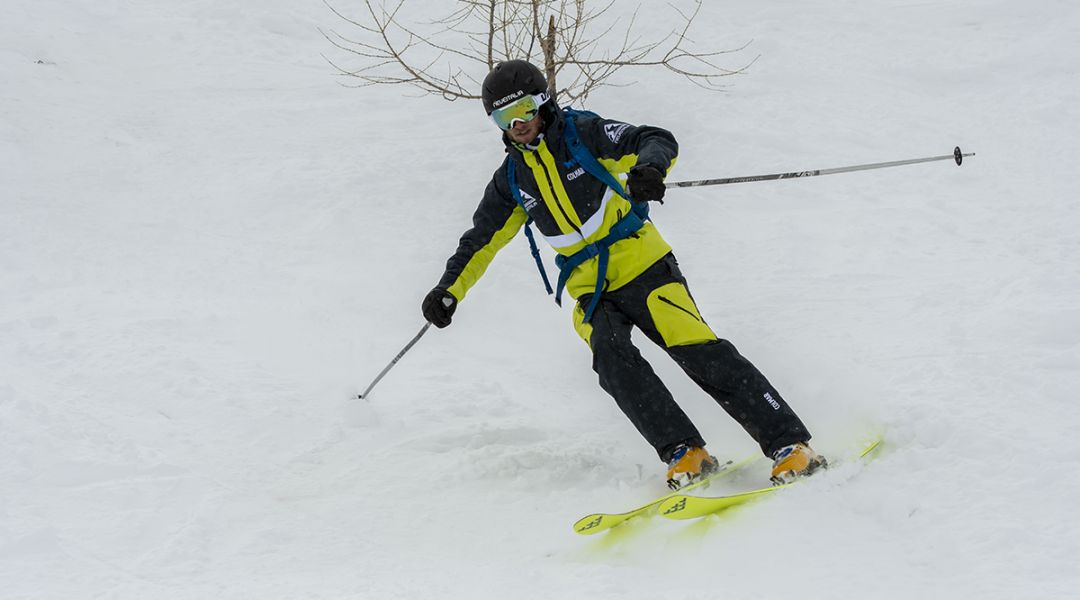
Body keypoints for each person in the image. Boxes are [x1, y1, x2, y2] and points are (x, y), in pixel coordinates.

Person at [421, 60, 825, 489]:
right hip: (590, 289)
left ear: (542, 102)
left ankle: (791, 445)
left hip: (644, 267)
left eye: (522, 110)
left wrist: (649, 170)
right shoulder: (513, 179)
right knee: (611, 360)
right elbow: (480, 240)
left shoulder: (582, 134)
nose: (517, 124)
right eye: (504, 117)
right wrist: (449, 290)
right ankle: (685, 452)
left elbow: (653, 139)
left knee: (697, 351)